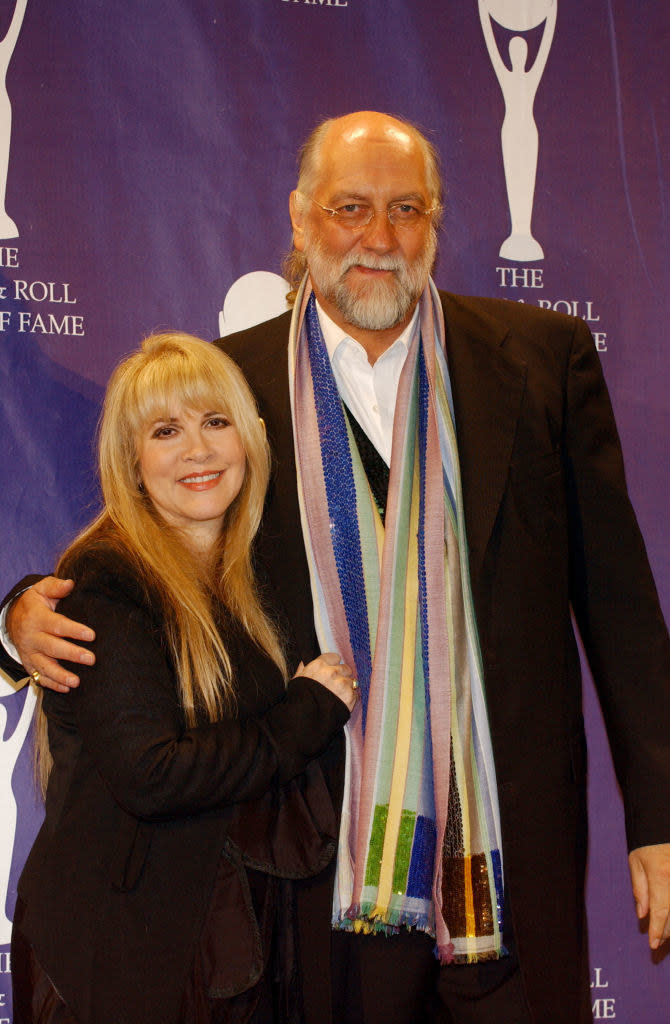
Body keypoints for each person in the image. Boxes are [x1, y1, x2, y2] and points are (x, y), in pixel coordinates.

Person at [3, 112, 670, 1023]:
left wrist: (660, 818)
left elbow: (622, 606)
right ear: (300, 219)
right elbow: (142, 553)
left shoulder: (541, 360)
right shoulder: (232, 388)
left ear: (435, 221)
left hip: (506, 854)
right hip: (315, 861)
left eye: (407, 210)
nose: (379, 237)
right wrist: (17, 620)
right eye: (349, 207)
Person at [7, 332, 356, 1024]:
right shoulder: (108, 583)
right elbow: (152, 775)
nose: (198, 450)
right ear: (132, 463)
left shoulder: (252, 573)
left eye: (215, 421)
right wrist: (305, 714)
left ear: (250, 439)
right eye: (166, 431)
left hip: (216, 941)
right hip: (119, 957)